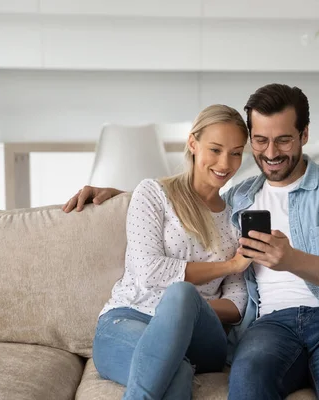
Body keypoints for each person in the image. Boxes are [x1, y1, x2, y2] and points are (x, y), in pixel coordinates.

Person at [65, 84, 319, 399]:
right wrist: (118, 196)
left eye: (283, 140)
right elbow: (183, 207)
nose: (271, 153)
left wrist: (290, 259)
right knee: (232, 381)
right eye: (260, 140)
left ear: (304, 135)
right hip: (266, 324)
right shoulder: (242, 198)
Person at [75, 104, 252, 400]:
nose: (226, 162)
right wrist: (229, 266)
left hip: (201, 338)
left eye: (236, 152)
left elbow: (236, 306)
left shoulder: (235, 220)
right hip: (127, 320)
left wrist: (188, 310)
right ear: (193, 143)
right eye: (216, 149)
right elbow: (149, 270)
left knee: (182, 295)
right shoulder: (153, 193)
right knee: (177, 373)